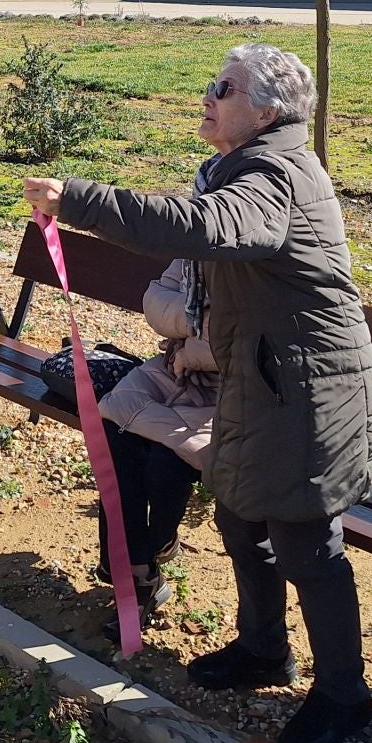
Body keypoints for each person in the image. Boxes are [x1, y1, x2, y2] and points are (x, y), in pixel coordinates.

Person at [24, 43, 372, 743]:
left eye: (225, 87)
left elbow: (205, 228)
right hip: (263, 382)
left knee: (308, 544)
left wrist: (83, 200)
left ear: (267, 111)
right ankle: (262, 650)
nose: (208, 95)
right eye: (211, 83)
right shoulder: (243, 165)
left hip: (312, 392)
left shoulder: (274, 173)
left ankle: (345, 697)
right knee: (240, 511)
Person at [93, 254, 219, 624]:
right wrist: (201, 318)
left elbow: (252, 336)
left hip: (240, 389)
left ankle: (151, 549)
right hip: (173, 369)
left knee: (169, 458)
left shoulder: (261, 248)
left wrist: (195, 341)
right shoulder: (198, 245)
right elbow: (156, 301)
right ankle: (136, 574)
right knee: (115, 428)